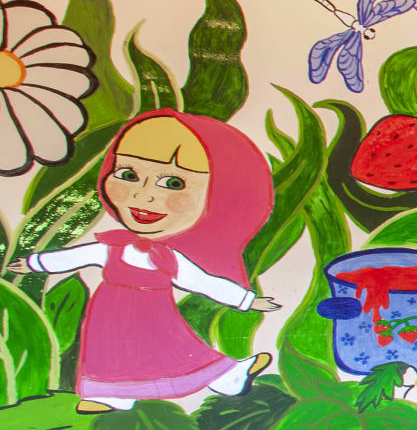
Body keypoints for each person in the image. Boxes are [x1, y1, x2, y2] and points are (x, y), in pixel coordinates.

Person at [8, 109, 279, 412]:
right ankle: (109, 394)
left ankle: (228, 375)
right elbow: (72, 257)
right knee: (108, 351)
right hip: (110, 314)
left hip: (155, 319)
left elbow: (202, 282)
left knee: (178, 351)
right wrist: (34, 264)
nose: (144, 196)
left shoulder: (167, 258)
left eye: (173, 183)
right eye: (128, 175)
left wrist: (246, 300)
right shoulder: (112, 247)